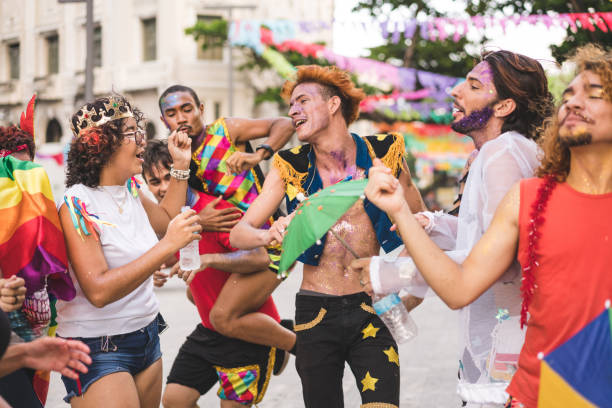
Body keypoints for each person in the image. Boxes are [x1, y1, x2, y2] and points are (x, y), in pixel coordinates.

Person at [357, 44, 612, 408]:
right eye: (568, 93)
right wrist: (407, 213)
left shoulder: (502, 152)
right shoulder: (529, 196)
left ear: (505, 106)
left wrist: (390, 272)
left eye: (594, 94)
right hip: (533, 389)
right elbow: (469, 274)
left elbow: (501, 266)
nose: (571, 102)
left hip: (529, 361)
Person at [229, 65, 425, 408]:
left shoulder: (384, 154)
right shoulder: (290, 164)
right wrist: (269, 234)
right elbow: (239, 233)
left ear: (334, 105)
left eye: (302, 101)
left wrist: (404, 286)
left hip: (374, 308)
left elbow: (424, 225)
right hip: (316, 311)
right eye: (291, 105)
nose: (293, 111)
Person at [56, 94, 201, 408]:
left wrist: (181, 165)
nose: (143, 140)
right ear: (103, 143)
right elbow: (99, 290)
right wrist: (167, 248)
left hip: (146, 336)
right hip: (94, 347)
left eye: (142, 130)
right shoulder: (77, 205)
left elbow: (164, 222)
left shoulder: (131, 189)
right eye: (133, 132)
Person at [141, 140, 288, 407]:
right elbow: (166, 257)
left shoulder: (217, 210)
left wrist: (208, 259)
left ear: (183, 173)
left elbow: (260, 256)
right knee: (174, 400)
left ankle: (284, 341)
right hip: (209, 331)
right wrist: (156, 269)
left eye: (169, 175)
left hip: (248, 331)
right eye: (154, 181)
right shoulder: (167, 222)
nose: (163, 187)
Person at [158, 85, 296, 353]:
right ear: (164, 121)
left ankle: (296, 347)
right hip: (232, 245)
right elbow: (169, 213)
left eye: (187, 109)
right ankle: (272, 334)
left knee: (221, 316)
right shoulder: (175, 156)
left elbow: (285, 123)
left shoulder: (225, 130)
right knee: (195, 293)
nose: (181, 118)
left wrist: (259, 154)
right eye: (172, 113)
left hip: (271, 241)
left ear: (201, 109)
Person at [0, 96, 77, 407]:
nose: (22, 172)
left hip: (39, 323)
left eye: (26, 162)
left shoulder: (46, 207)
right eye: (12, 163)